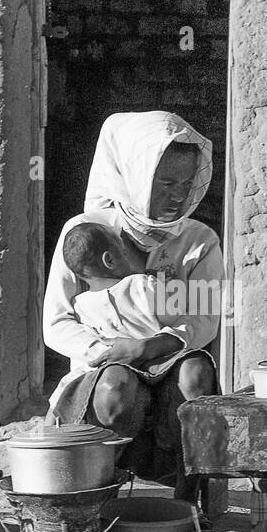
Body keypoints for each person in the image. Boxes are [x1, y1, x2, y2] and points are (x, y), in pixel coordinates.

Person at [44, 111, 222, 491]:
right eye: (166, 182)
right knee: (116, 388)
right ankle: (101, 491)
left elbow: (206, 318)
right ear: (134, 174)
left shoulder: (198, 240)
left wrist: (153, 344)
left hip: (170, 358)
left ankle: (188, 495)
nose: (178, 195)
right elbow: (56, 323)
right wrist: (109, 351)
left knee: (196, 378)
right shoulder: (86, 232)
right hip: (105, 365)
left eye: (187, 183)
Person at [63, 221, 184, 346]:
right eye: (124, 253)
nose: (128, 257)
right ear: (109, 260)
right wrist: (163, 287)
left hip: (121, 362)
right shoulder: (142, 284)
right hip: (160, 355)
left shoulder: (80, 307)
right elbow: (175, 320)